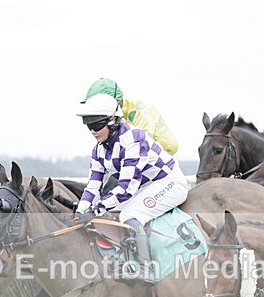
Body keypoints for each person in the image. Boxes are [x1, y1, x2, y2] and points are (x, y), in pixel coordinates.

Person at [74, 93, 189, 284]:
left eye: (96, 125)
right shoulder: (98, 149)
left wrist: (96, 208)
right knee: (104, 216)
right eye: (88, 126)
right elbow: (93, 185)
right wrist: (80, 210)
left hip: (168, 182)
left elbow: (126, 188)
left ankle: (146, 269)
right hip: (144, 186)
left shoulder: (134, 139)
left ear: (113, 120)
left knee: (129, 215)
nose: (92, 131)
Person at [84, 78, 180, 155]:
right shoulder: (116, 112)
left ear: (116, 101)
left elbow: (142, 145)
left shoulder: (141, 111)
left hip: (163, 151)